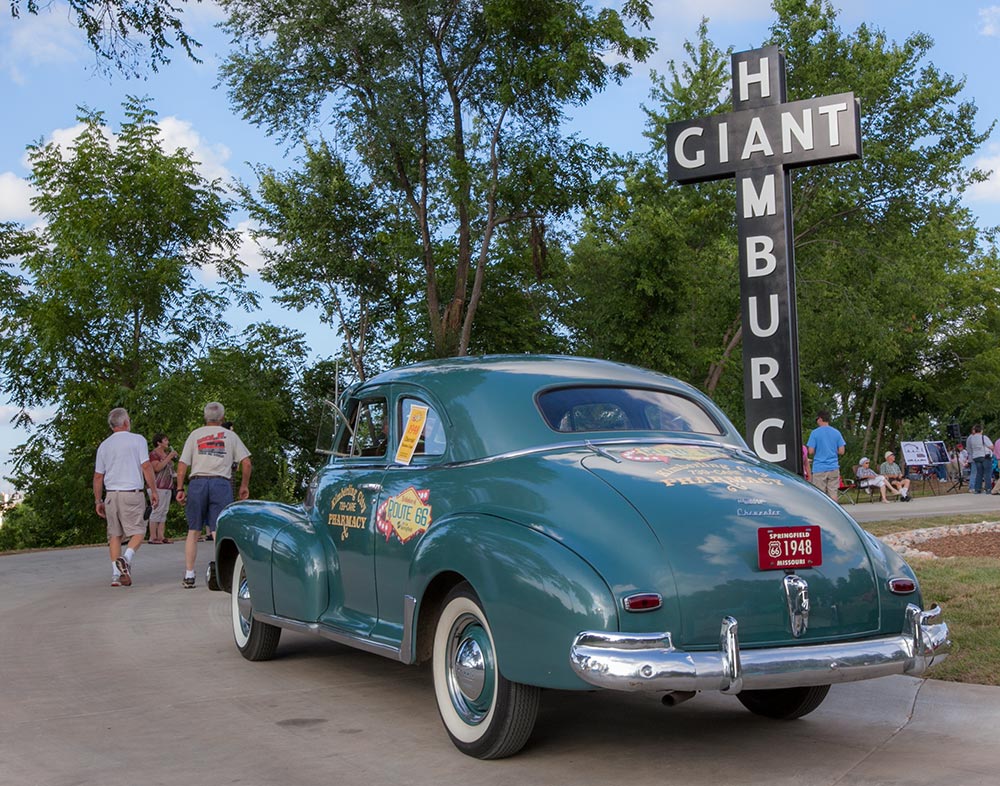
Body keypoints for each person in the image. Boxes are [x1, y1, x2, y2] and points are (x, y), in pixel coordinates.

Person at [175, 402, 252, 588]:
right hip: (220, 483)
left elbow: (182, 464)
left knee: (193, 530)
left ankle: (189, 574)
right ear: (222, 418)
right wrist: (243, 485)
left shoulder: (195, 435)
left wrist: (179, 488)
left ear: (205, 417)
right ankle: (222, 574)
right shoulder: (231, 436)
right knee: (219, 530)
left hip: (198, 482)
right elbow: (247, 463)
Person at [93, 408, 159, 587]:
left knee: (114, 535)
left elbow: (98, 476)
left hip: (111, 495)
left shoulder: (104, 445)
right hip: (132, 493)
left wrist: (98, 500)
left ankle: (116, 575)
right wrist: (153, 490)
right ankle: (126, 558)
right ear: (125, 423)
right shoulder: (138, 440)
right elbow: (146, 466)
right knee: (138, 532)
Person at [806, 410, 846, 501]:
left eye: (817, 419)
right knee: (833, 492)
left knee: (820, 495)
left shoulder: (815, 433)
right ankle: (834, 513)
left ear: (820, 419)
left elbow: (811, 451)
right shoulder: (836, 432)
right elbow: (842, 451)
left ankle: (822, 514)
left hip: (819, 467)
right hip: (833, 467)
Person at [148, 433, 177, 543]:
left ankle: (161, 536)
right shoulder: (154, 454)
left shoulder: (165, 454)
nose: (167, 442)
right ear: (159, 443)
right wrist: (169, 456)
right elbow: (157, 468)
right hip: (157, 486)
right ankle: (152, 536)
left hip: (167, 486)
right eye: (165, 440)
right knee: (157, 510)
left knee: (164, 511)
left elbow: (169, 470)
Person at [966, 424, 993, 494]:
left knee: (979, 473)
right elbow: (991, 446)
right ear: (981, 430)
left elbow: (970, 448)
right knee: (987, 473)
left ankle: (977, 489)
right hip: (984, 456)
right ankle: (988, 488)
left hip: (976, 457)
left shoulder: (971, 438)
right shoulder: (983, 437)